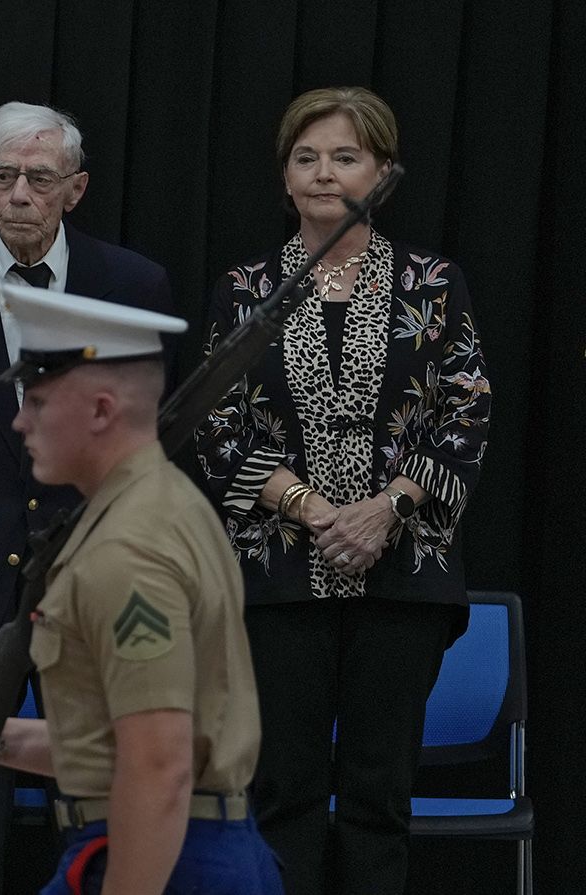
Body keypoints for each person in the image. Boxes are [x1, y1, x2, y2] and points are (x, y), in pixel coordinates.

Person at [194, 86, 491, 895]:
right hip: (277, 577)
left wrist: (385, 507)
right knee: (281, 794)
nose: (324, 173)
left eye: (346, 156)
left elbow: (465, 410)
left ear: (383, 172)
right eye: (307, 156)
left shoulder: (434, 284)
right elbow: (218, 426)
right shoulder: (245, 290)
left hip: (402, 580)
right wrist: (315, 510)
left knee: (377, 800)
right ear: (285, 177)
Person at [0, 100, 171, 895]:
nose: (20, 193)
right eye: (5, 175)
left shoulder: (131, 285)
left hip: (92, 591)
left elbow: (150, 441)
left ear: (76, 188)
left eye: (40, 177)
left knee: (99, 823)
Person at [0, 284, 281, 894]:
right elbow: (117, 742)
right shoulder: (158, 507)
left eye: (35, 399)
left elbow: (159, 766)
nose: (18, 420)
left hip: (161, 855)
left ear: (102, 410)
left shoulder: (126, 549)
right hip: (172, 844)